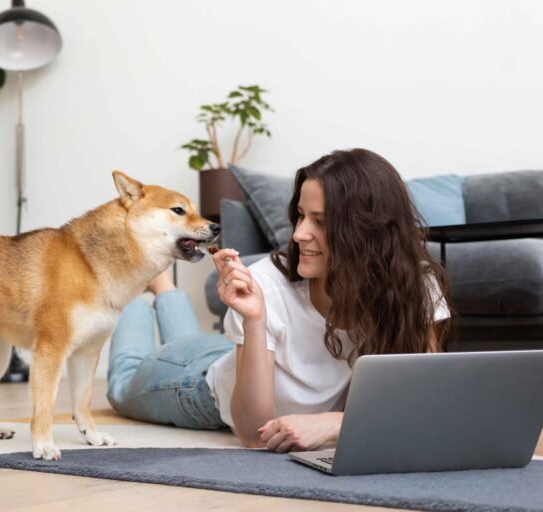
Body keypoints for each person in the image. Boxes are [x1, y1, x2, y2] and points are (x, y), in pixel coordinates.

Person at [107, 148, 452, 452]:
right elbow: (255, 435)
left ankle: (164, 287)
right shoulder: (265, 286)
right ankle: (134, 294)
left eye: (321, 221)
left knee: (187, 341)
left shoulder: (415, 284)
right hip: (194, 384)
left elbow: (425, 399)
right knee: (122, 385)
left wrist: (334, 423)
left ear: (368, 232)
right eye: (301, 215)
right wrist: (254, 321)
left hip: (229, 355)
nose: (300, 233)